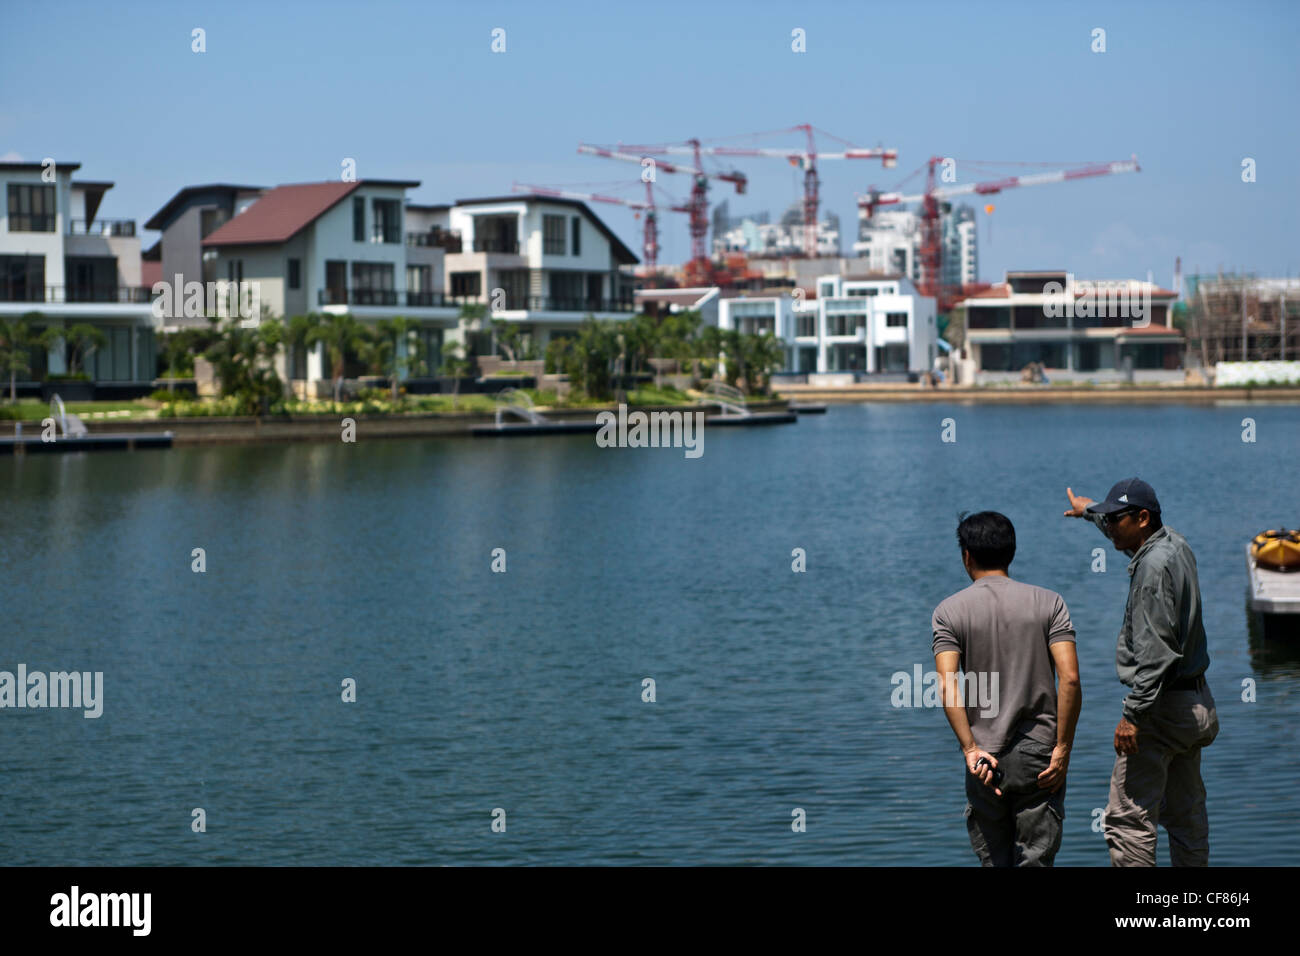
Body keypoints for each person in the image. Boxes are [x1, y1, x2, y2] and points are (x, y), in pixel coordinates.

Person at [1064, 479, 1219, 866]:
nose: (1111, 525)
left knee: (1128, 822)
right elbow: (1136, 545)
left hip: (1160, 711)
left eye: (1116, 518)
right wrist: (1090, 513)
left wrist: (1132, 716)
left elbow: (1157, 655)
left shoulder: (1151, 569)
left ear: (1143, 517)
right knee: (1186, 819)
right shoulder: (1174, 545)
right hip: (1194, 706)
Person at [932, 511, 1082, 866]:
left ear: (966, 556)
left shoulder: (948, 612)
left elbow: (947, 683)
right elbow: (1071, 679)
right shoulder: (1050, 603)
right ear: (1011, 552)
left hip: (984, 757)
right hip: (1039, 754)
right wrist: (1062, 748)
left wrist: (970, 749)